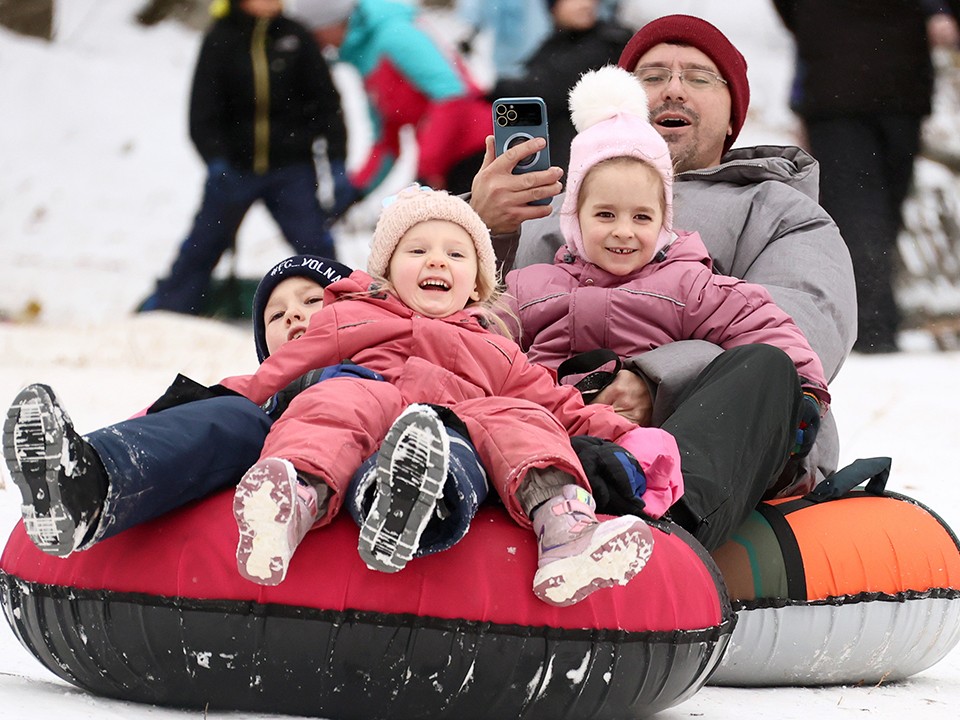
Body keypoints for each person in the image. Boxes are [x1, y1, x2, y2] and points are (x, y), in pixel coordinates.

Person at [220, 185, 683, 606]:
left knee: (521, 416)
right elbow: (275, 373)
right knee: (336, 398)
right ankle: (289, 504)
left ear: (478, 284)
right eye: (418, 250)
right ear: (384, 273)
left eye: (456, 255)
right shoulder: (353, 318)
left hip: (463, 432)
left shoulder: (499, 350)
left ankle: (564, 531)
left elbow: (562, 406)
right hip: (377, 411)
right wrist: (198, 401)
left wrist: (634, 439)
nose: (437, 261)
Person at [469, 14, 857, 501]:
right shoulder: (558, 210)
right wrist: (482, 228)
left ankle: (668, 520)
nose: (673, 90)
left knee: (763, 370)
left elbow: (794, 336)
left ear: (734, 115)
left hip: (713, 442)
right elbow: (465, 322)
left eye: (698, 78)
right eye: (651, 78)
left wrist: (657, 379)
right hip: (547, 427)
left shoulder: (781, 212)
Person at [503, 65, 829, 551]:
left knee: (766, 365)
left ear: (663, 222)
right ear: (574, 219)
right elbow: (478, 334)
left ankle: (670, 516)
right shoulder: (533, 285)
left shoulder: (686, 281)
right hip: (558, 433)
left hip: (660, 442)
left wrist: (804, 394)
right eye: (605, 215)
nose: (623, 231)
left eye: (641, 218)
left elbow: (762, 322)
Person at [3, 255, 352, 558]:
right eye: (276, 316)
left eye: (311, 300)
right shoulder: (254, 406)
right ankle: (83, 477)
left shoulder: (382, 373)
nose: (292, 314)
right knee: (234, 416)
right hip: (263, 447)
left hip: (339, 473)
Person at [773, 0, 960, 353]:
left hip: (848, 80)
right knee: (871, 207)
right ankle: (872, 326)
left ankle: (869, 322)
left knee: (860, 205)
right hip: (881, 82)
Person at [140, 0, 349, 315]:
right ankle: (166, 314)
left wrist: (336, 161)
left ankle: (345, 314)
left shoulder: (297, 37)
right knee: (202, 247)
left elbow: (327, 106)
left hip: (291, 170)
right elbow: (202, 112)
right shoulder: (220, 39)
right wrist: (215, 160)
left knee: (317, 249)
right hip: (236, 170)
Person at [288, 0, 490, 195]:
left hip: (479, 152)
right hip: (447, 163)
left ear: (330, 22)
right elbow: (387, 140)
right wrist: (357, 190)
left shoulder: (394, 34)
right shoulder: (364, 53)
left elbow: (452, 96)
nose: (314, 44)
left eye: (313, 34)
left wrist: (426, 169)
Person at [491, 0, 633, 175]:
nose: (585, 4)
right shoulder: (553, 45)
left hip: (596, 154)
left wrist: (495, 86)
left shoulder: (611, 41)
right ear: (553, 8)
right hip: (558, 150)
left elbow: (550, 89)